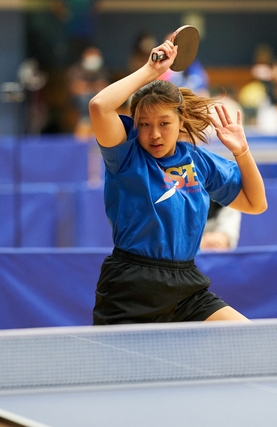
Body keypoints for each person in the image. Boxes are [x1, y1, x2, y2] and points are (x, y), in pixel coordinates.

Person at [88, 38, 267, 324]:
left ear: (181, 121)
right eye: (144, 124)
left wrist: (242, 151)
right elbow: (99, 106)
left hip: (187, 286)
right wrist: (151, 70)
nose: (154, 134)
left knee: (249, 338)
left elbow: (256, 204)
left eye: (164, 123)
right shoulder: (125, 156)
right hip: (132, 286)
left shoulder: (198, 160)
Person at [67, 46, 110, 139]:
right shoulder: (76, 69)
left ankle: (101, 123)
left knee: (99, 99)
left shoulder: (102, 71)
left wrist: (88, 86)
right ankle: (85, 120)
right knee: (84, 98)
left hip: (97, 99)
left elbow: (105, 88)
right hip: (79, 102)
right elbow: (76, 89)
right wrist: (93, 86)